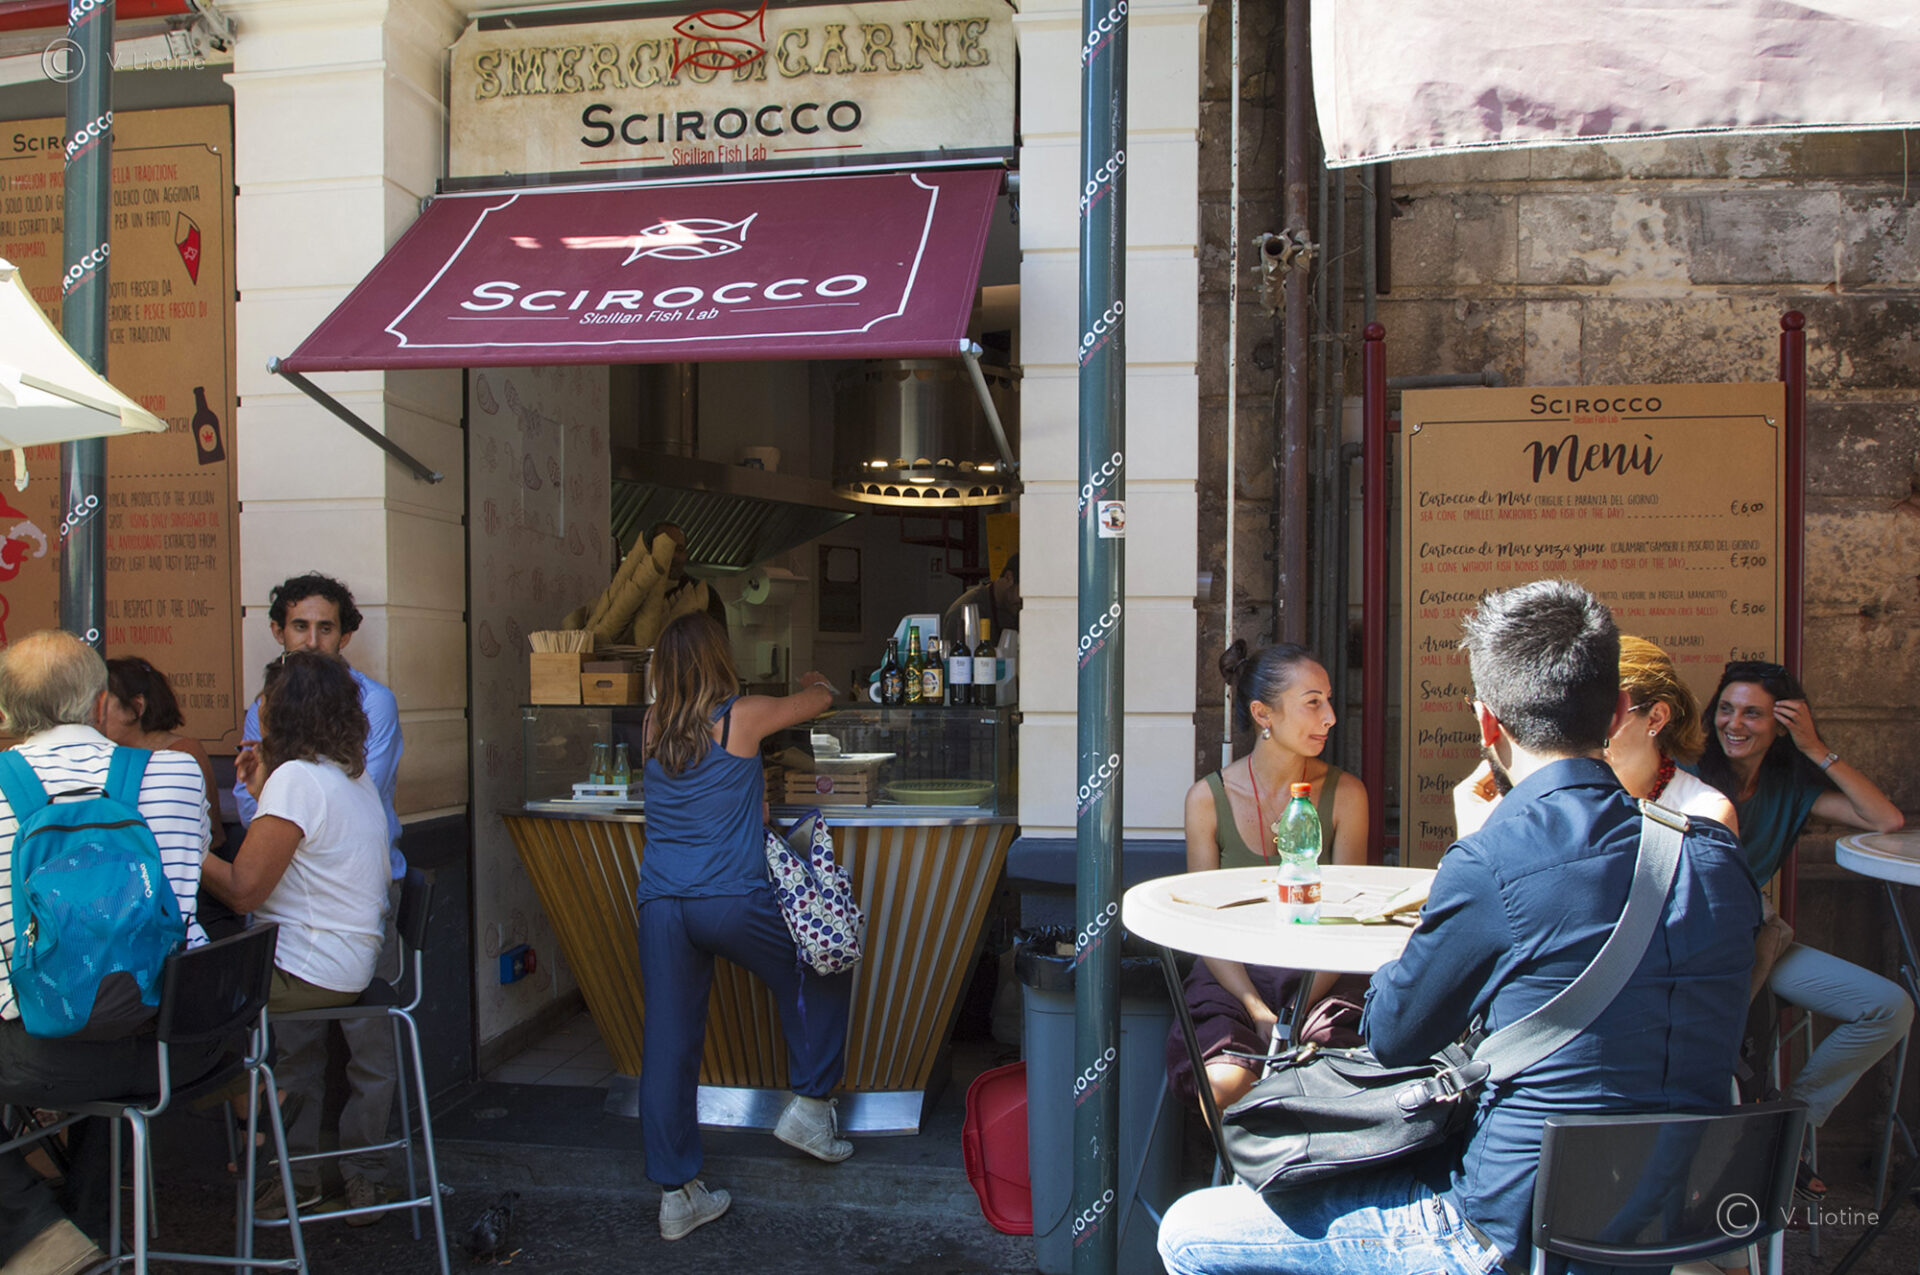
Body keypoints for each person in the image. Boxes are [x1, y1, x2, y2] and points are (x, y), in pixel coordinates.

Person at [1158, 579, 1760, 1275]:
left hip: (1513, 1230)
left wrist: (1472, 849)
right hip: (1675, 1222)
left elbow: (1393, 1033)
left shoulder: (1492, 860)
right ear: (1620, 710)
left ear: (1487, 724)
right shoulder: (1713, 856)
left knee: (1190, 1230)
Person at [0, 631, 213, 1275]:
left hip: (56, 1060)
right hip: (181, 1046)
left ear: (6, 713)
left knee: (70, 1008)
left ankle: (41, 1237)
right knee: (111, 997)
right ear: (99, 704)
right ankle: (87, 1228)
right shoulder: (177, 771)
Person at [635, 612, 851, 1241]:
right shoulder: (741, 717)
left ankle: (676, 1196)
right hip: (729, 898)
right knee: (822, 958)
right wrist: (817, 682)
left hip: (661, 904)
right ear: (718, 659)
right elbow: (819, 701)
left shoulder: (652, 725)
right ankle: (809, 1108)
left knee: (668, 1046)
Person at [1692, 658, 1909, 1190]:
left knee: (1889, 1007)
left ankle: (1786, 1126)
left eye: (1752, 714)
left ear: (1783, 725)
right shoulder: (1684, 773)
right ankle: (1750, 1142)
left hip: (1760, 942)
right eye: (1726, 709)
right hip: (1693, 951)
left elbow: (1886, 819)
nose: (1734, 723)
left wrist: (1815, 748)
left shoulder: (1789, 785)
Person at [233, 572, 404, 1221]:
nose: (310, 639)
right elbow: (265, 810)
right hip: (309, 912)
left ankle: (353, 1171)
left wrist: (188, 853)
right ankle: (295, 1172)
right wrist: (269, 795)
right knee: (295, 1047)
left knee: (365, 1048)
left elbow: (290, 829)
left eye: (324, 627)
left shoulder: (362, 716)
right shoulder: (314, 753)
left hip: (346, 908)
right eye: (299, 626)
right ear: (279, 630)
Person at [201, 651, 391, 1222]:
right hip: (348, 962)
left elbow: (243, 892)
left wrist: (181, 848)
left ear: (283, 711)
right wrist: (265, 790)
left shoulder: (296, 779)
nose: (257, 711)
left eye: (266, 702)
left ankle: (262, 1121)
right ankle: (288, 1159)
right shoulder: (348, 775)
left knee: (175, 1003)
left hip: (307, 969)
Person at [1163, 641, 1368, 1111]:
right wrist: (1255, 1007)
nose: (1330, 717)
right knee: (1223, 1085)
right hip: (1231, 974)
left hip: (1321, 974)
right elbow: (1204, 925)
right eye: (1312, 702)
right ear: (1263, 714)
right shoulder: (1207, 799)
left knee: (1329, 1079)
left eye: (1328, 700)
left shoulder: (1346, 795)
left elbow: (1347, 919)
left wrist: (1295, 1011)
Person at [1453, 634, 1737, 836]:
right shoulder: (1542, 803)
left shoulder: (1704, 813)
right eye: (1573, 713)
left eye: (1604, 715)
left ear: (1655, 718)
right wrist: (1482, 835)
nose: (1582, 729)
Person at [102, 655, 226, 852]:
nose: (94, 713)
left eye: (103, 703)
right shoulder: (108, 754)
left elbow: (203, 838)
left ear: (137, 706)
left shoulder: (184, 754)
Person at [941, 553, 1019, 650]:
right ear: (1008, 577)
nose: (1024, 602)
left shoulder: (1011, 606)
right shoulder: (963, 613)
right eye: (1023, 593)